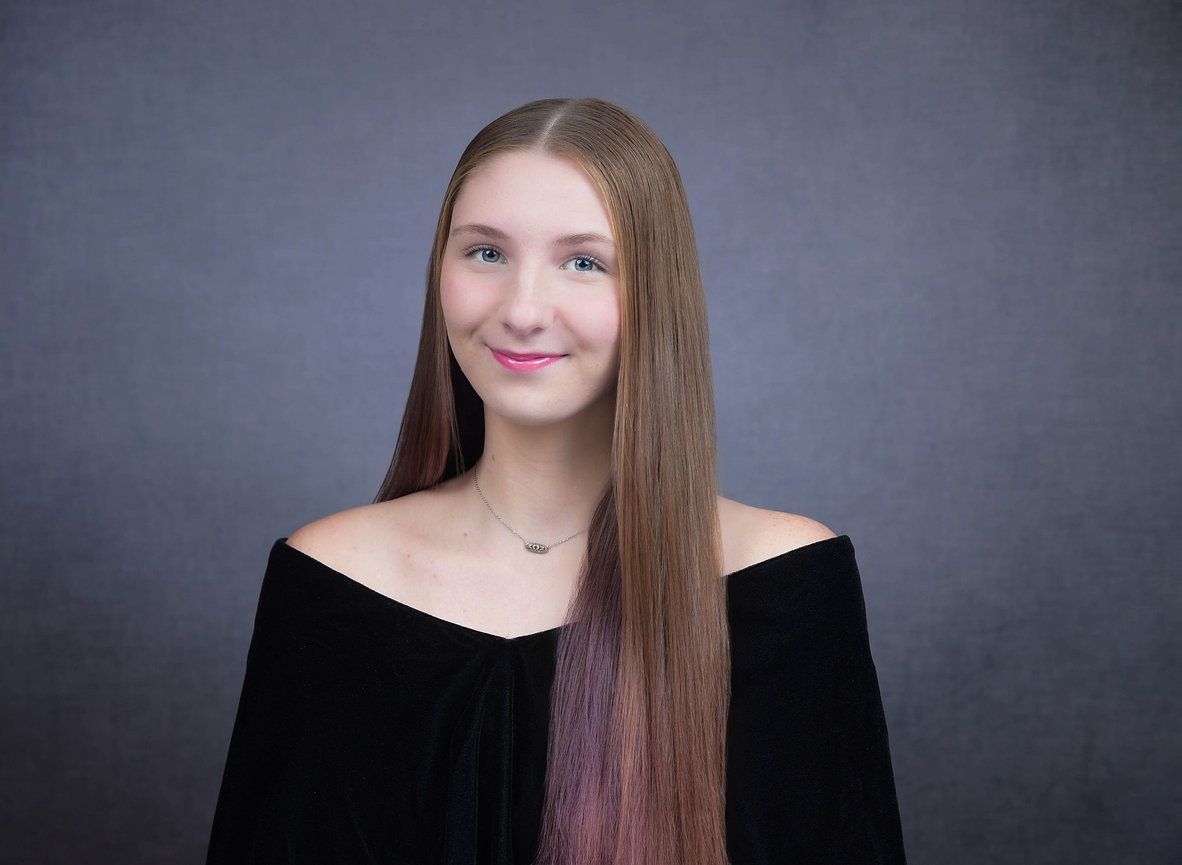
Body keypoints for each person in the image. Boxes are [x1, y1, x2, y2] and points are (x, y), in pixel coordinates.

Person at [206, 98, 906, 865]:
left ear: (656, 293)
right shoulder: (329, 581)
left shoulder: (787, 588)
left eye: (583, 263)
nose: (523, 309)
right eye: (485, 252)